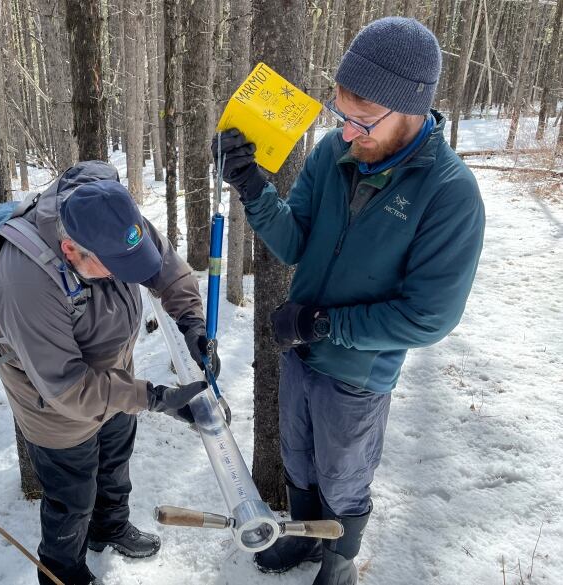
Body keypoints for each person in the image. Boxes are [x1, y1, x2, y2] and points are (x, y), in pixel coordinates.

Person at [213, 17, 485, 585]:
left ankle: (339, 563)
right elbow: (294, 243)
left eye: (361, 120)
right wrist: (253, 186)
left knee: (343, 475)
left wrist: (324, 326)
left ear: (407, 108)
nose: (345, 132)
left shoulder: (448, 192)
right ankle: (304, 540)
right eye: (339, 113)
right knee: (296, 457)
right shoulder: (332, 158)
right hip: (300, 349)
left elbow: (430, 315)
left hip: (358, 371)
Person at [0, 161, 219, 585]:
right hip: (55, 403)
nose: (129, 275)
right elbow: (68, 387)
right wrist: (153, 397)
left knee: (115, 458)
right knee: (72, 497)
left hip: (115, 377)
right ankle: (64, 572)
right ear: (72, 250)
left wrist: (192, 323)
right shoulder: (23, 284)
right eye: (115, 267)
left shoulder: (112, 214)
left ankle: (110, 527)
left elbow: (164, 267)